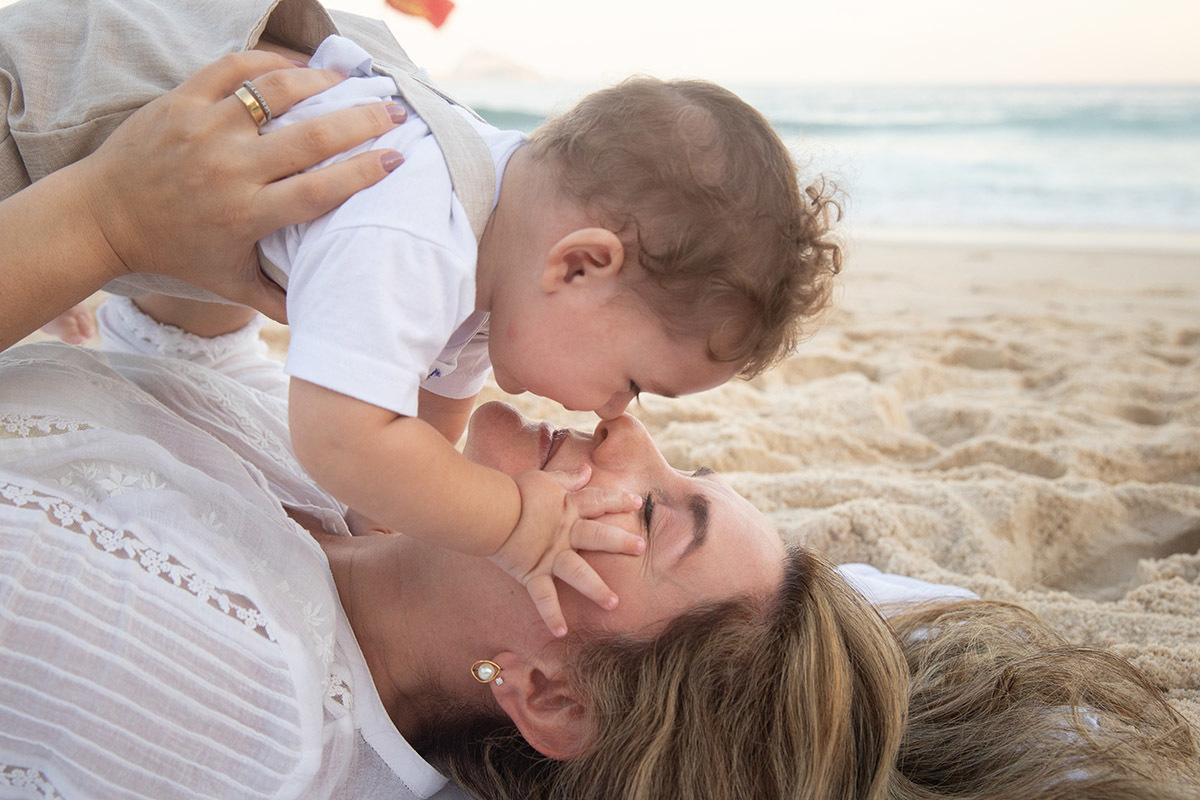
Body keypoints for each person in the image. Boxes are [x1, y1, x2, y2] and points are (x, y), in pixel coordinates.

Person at [0, 294, 1196, 800]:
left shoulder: (237, 681)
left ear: (549, 694)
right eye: (688, 475)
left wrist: (106, 216)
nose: (629, 434)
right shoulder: (364, 507)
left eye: (659, 513)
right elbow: (176, 345)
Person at [2, 0, 844, 635]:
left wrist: (397, 517)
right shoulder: (415, 231)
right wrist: (512, 522)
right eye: (633, 381)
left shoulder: (502, 257)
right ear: (580, 264)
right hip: (38, 117)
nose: (614, 413)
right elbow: (340, 437)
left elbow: (432, 409)